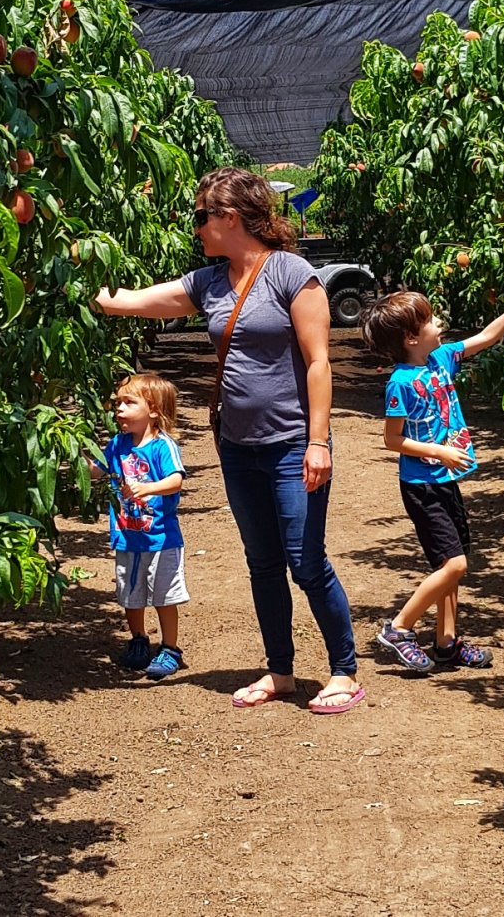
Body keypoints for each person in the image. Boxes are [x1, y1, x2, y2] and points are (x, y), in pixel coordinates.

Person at [96, 167, 363, 715]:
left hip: (293, 444)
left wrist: (319, 443)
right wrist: (84, 276)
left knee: (305, 560)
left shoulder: (293, 273)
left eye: (201, 217)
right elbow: (133, 301)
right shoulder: (209, 282)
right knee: (262, 563)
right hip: (238, 447)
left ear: (230, 218)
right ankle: (280, 671)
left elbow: (318, 363)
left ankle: (344, 671)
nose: (195, 228)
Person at [361, 291, 504, 672]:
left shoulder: (442, 358)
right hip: (422, 484)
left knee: (452, 564)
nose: (438, 324)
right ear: (411, 338)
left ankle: (446, 643)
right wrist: (441, 450)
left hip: (444, 480)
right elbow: (392, 440)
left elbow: (487, 337)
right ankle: (398, 628)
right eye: (429, 320)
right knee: (455, 565)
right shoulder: (399, 383)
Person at [89, 373, 188, 681]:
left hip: (160, 539)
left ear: (154, 409)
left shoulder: (162, 446)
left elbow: (176, 480)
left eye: (129, 403)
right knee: (130, 594)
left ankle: (170, 648)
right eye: (117, 403)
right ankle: (138, 640)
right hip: (126, 537)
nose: (119, 409)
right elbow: (96, 472)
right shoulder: (117, 444)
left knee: (163, 596)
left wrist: (149, 489)